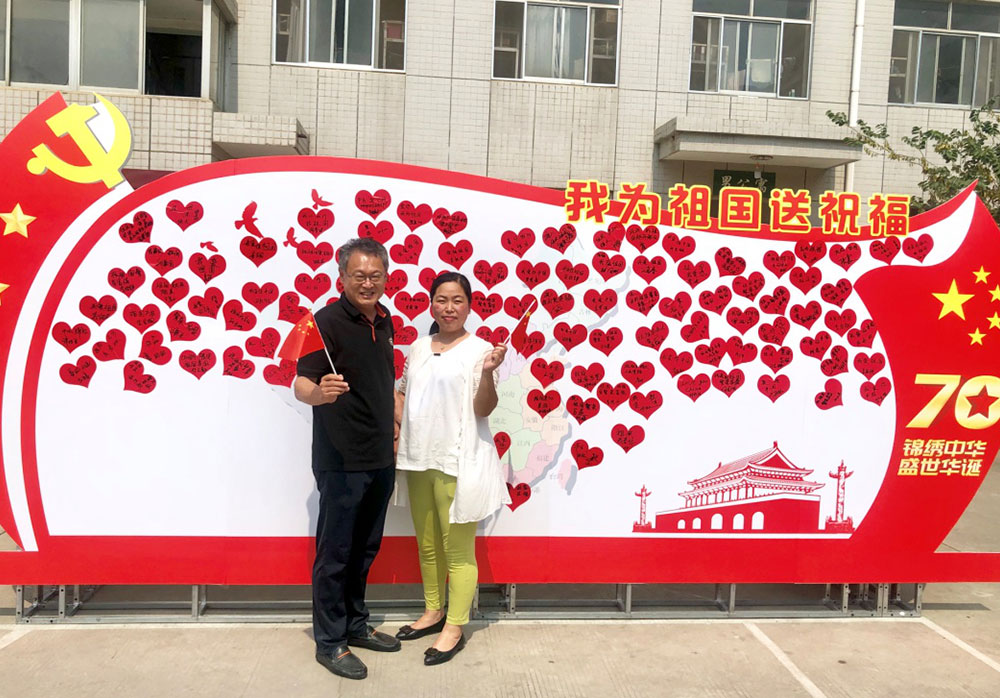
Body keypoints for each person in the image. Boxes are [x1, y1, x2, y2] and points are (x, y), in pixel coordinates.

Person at [293, 237, 401, 680]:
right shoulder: (324, 323)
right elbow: (300, 383)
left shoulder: (386, 321)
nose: (367, 283)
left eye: (375, 275)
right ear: (341, 277)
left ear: (386, 277)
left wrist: (396, 423)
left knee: (365, 548)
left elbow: (381, 383)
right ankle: (331, 641)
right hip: (340, 459)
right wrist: (320, 393)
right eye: (359, 275)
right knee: (336, 553)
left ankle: (356, 624)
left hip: (380, 457)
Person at [393, 271, 510, 665]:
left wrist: (489, 372)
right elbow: (401, 392)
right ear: (431, 304)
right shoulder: (418, 347)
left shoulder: (481, 351)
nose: (449, 308)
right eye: (441, 299)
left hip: (458, 462)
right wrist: (400, 427)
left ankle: (455, 626)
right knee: (427, 545)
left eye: (457, 300)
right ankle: (433, 611)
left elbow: (484, 408)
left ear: (469, 306)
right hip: (418, 459)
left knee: (457, 550)